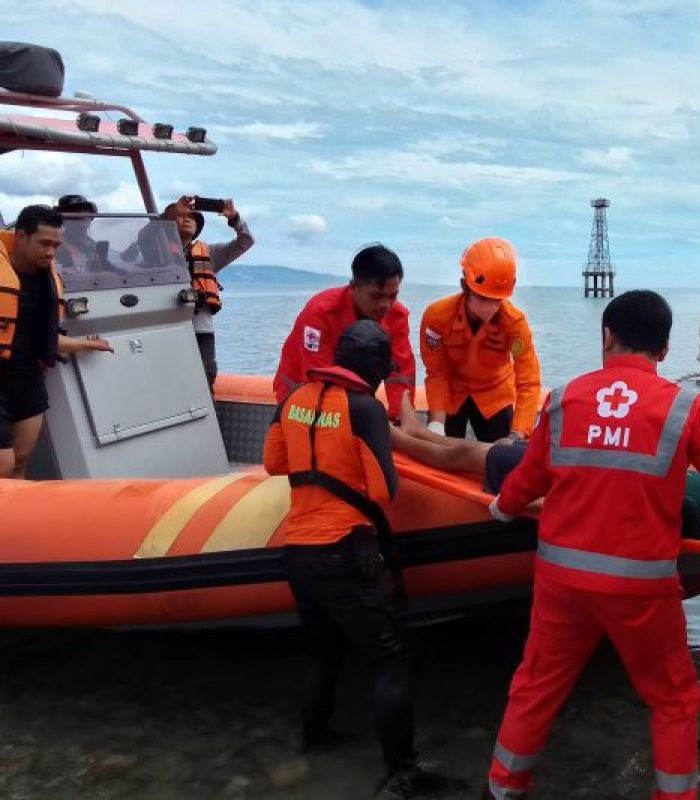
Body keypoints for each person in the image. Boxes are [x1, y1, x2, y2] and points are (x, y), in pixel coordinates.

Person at [482, 290, 700, 799]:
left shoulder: (564, 398)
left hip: (562, 583)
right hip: (639, 589)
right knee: (674, 700)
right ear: (665, 348)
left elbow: (530, 478)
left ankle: (503, 787)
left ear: (606, 335)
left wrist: (502, 508)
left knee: (536, 686)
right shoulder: (683, 409)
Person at [263, 320, 446, 800]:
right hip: (343, 551)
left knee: (324, 653)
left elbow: (274, 463)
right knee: (389, 659)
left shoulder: (293, 399)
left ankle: (314, 739)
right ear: (375, 369)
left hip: (298, 550)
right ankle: (401, 772)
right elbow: (385, 490)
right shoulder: (364, 409)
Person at [390, 396, 700, 543]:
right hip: (586, 457)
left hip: (568, 473)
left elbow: (609, 509)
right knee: (481, 448)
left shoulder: (695, 515)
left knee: (466, 456)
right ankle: (414, 430)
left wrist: (524, 504)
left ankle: (399, 437)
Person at [0, 205, 112, 479]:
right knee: (2, 467)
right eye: (44, 243)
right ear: (22, 236)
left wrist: (86, 345)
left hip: (27, 381)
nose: (50, 252)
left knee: (21, 462)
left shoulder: (47, 280)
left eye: (56, 245)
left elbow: (46, 338)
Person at [275, 244, 416, 421]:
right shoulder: (320, 312)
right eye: (376, 296)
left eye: (392, 296)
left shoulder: (397, 316)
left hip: (351, 397)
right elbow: (316, 373)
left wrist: (399, 419)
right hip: (299, 393)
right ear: (353, 286)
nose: (385, 305)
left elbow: (400, 374)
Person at [420, 237, 540, 442]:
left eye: (497, 300)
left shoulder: (514, 324)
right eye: (483, 299)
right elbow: (437, 372)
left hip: (495, 396)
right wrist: (436, 423)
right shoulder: (437, 317)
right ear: (464, 286)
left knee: (503, 457)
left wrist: (517, 433)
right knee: (442, 453)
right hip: (451, 394)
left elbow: (528, 381)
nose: (491, 307)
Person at [163, 195, 255, 390]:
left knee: (206, 373)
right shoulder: (155, 251)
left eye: (193, 217)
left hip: (201, 329)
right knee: (166, 375)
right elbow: (148, 234)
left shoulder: (211, 253)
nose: (187, 219)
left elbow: (246, 241)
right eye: (181, 216)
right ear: (168, 223)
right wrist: (173, 211)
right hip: (165, 328)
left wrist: (235, 219)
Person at [54, 194, 101, 270]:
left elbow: (104, 267)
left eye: (86, 210)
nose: (84, 215)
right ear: (64, 219)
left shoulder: (91, 244)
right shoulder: (55, 247)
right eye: (76, 211)